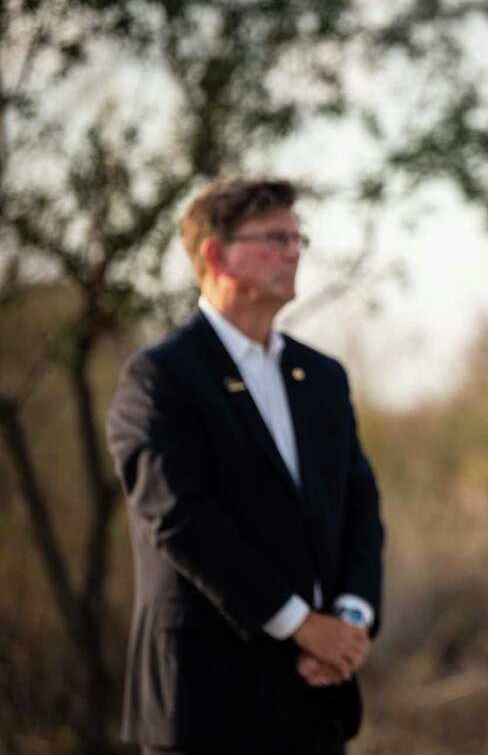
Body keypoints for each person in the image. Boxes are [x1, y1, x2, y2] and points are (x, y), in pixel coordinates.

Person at [107, 178, 385, 755]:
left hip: (315, 692)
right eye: (274, 239)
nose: (293, 252)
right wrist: (303, 627)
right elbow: (180, 519)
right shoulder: (159, 377)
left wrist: (349, 622)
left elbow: (359, 503)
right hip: (205, 699)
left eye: (296, 237)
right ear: (214, 253)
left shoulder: (322, 376)